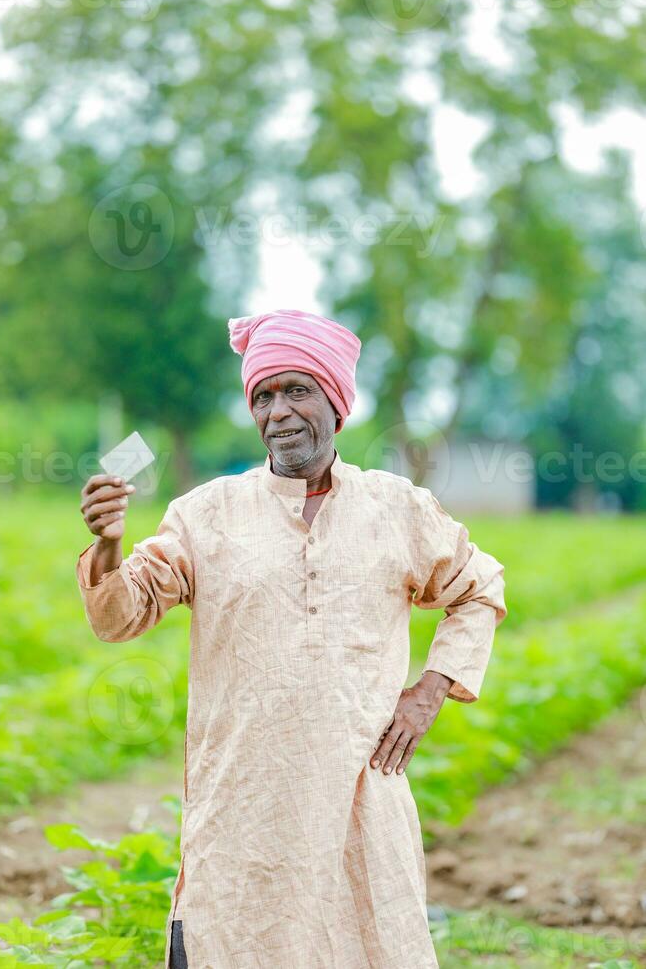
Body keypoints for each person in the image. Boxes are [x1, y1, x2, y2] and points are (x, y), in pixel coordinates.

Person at [76, 308, 507, 969]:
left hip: (361, 796)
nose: (278, 410)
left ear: (336, 404)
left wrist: (429, 691)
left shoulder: (397, 509)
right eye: (263, 395)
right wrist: (107, 546)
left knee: (367, 939)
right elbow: (118, 616)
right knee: (236, 938)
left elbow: (479, 590)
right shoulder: (206, 514)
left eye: (298, 390)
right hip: (246, 801)